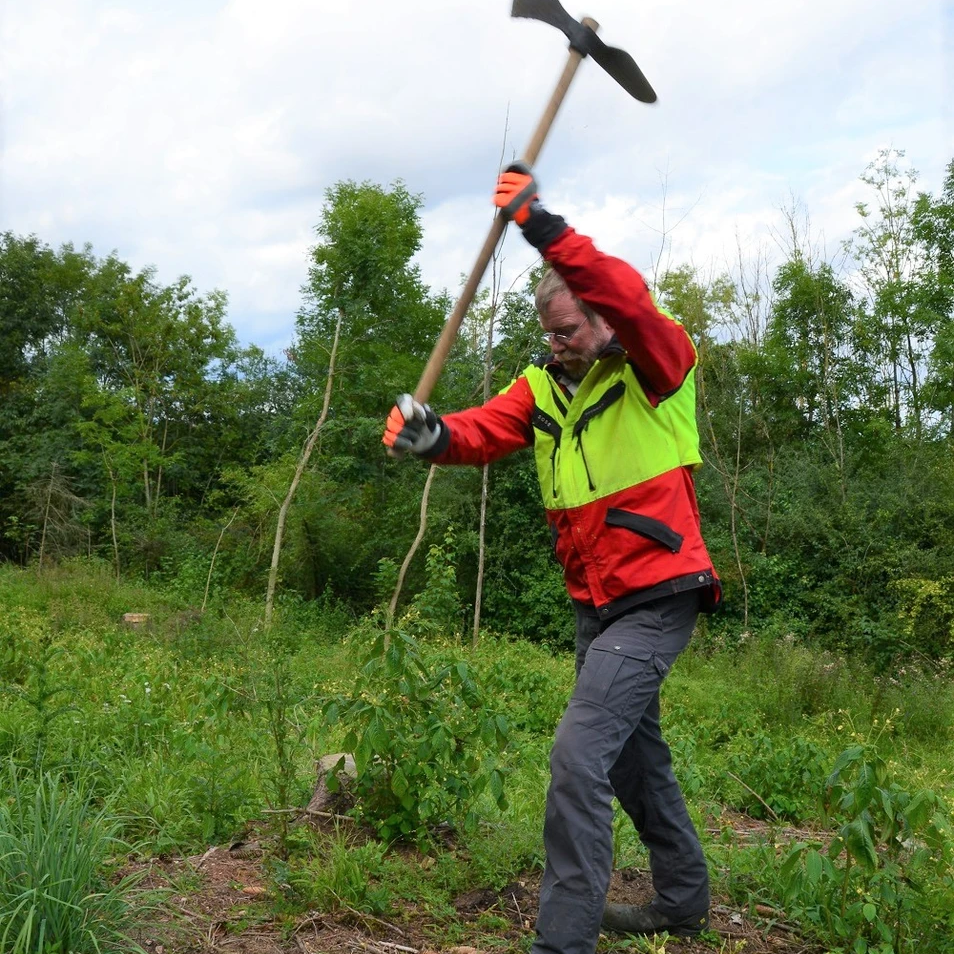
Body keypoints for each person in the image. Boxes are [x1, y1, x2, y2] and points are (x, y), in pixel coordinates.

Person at [383, 165, 721, 954]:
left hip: (658, 590)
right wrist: (432, 436)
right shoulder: (542, 387)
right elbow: (481, 430)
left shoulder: (656, 364)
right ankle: (682, 901)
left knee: (577, 758)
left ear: (603, 318)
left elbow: (629, 299)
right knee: (631, 761)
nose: (556, 343)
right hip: (594, 603)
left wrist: (543, 228)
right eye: (549, 333)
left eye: (568, 329)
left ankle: (562, 942)